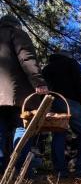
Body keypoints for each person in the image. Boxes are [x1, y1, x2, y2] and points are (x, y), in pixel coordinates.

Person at [0, 14, 48, 174]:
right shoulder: (16, 33)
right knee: (22, 127)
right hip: (17, 95)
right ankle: (22, 171)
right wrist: (39, 82)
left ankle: (3, 174)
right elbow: (26, 58)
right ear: (16, 24)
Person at [42, 50, 81, 178]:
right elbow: (80, 81)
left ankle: (60, 170)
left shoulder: (47, 68)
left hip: (52, 102)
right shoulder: (71, 63)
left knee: (58, 133)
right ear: (67, 55)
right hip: (71, 102)